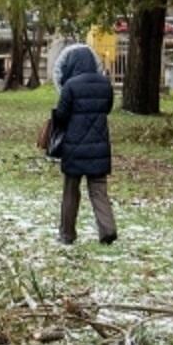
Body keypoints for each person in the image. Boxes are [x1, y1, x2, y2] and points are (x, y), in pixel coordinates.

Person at [52, 43, 117, 245]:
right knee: (99, 190)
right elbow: (107, 108)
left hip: (73, 146)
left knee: (71, 190)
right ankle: (107, 230)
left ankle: (67, 234)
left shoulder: (70, 86)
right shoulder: (105, 84)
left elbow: (62, 115)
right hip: (99, 146)